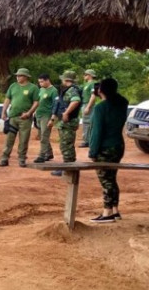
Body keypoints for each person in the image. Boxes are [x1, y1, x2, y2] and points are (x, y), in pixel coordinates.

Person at [88, 78, 128, 223]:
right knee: (112, 178)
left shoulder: (101, 108)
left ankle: (107, 212)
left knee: (106, 181)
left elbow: (97, 132)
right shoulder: (122, 103)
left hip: (105, 148)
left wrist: (92, 151)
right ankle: (115, 210)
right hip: (118, 146)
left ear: (100, 91)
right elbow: (119, 98)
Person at [0, 67, 39, 167]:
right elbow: (7, 99)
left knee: (23, 139)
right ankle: (4, 158)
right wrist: (3, 112)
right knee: (9, 139)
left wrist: (29, 113)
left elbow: (36, 102)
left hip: (25, 118)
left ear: (26, 77)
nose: (17, 77)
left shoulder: (33, 88)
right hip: (12, 117)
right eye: (17, 75)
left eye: (20, 75)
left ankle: (21, 159)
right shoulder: (13, 86)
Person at [48, 70, 81, 176]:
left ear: (66, 79)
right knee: (65, 145)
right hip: (66, 122)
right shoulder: (67, 90)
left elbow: (76, 101)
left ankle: (68, 168)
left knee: (66, 145)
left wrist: (66, 113)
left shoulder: (72, 90)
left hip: (68, 122)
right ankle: (68, 167)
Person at [33, 74, 57, 163]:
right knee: (42, 135)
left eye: (42, 81)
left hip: (46, 116)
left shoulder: (54, 91)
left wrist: (52, 118)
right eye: (39, 82)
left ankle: (41, 155)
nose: (40, 83)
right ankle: (49, 153)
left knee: (44, 136)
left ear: (47, 80)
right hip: (38, 115)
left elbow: (56, 105)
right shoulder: (41, 89)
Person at [79, 68, 99, 148]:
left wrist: (88, 107)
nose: (84, 76)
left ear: (90, 75)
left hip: (88, 104)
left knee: (88, 123)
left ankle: (87, 141)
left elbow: (93, 95)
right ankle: (87, 140)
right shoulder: (86, 84)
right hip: (84, 104)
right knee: (86, 123)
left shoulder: (93, 84)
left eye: (86, 74)